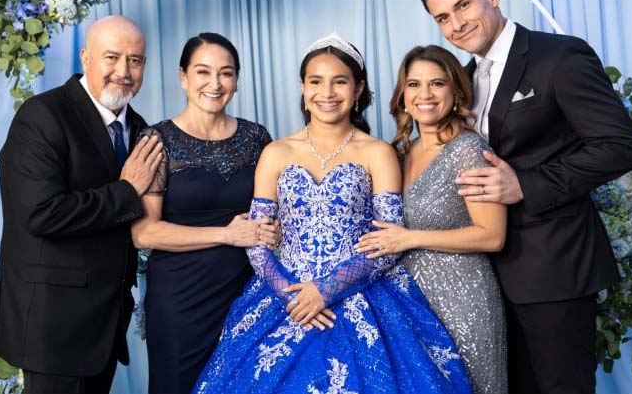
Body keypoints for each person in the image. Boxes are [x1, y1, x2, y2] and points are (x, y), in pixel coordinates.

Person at [191, 32, 472, 394]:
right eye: (316, 82)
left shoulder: (378, 153)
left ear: (358, 90)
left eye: (340, 82)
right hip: (286, 294)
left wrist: (325, 290)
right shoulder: (276, 152)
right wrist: (292, 296)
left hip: (363, 291)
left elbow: (390, 240)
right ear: (303, 88)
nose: (327, 93)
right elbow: (256, 242)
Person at [416, 0, 632, 393]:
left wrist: (527, 184)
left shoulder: (559, 55)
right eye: (443, 17)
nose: (457, 23)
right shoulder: (460, 80)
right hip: (484, 278)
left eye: (463, 5)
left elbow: (620, 146)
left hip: (553, 266)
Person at [0, 15, 163, 394]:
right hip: (54, 325)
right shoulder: (43, 116)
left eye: (135, 60)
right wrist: (127, 191)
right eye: (111, 57)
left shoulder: (141, 128)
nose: (123, 72)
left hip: (106, 324)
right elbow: (40, 212)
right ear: (85, 58)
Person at [130, 32, 279, 394]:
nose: (215, 84)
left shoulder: (257, 138)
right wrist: (226, 234)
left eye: (226, 73)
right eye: (202, 72)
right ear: (183, 77)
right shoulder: (157, 140)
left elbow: (274, 213)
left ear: (237, 80)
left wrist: (273, 231)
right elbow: (143, 234)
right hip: (181, 301)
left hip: (248, 295)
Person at [356, 44, 507, 394]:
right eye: (413, 84)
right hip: (410, 302)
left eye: (437, 84)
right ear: (403, 96)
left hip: (462, 300)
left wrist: (410, 237)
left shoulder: (468, 151)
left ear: (455, 92)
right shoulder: (401, 152)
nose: (424, 94)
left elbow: (492, 236)